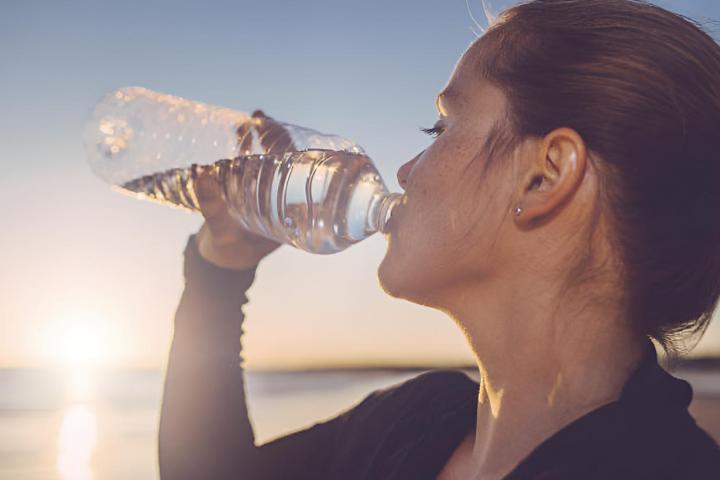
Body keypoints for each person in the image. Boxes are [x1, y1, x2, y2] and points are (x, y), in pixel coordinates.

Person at [158, 1, 720, 478]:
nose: (404, 170)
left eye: (442, 128)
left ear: (545, 175)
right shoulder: (416, 420)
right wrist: (221, 269)